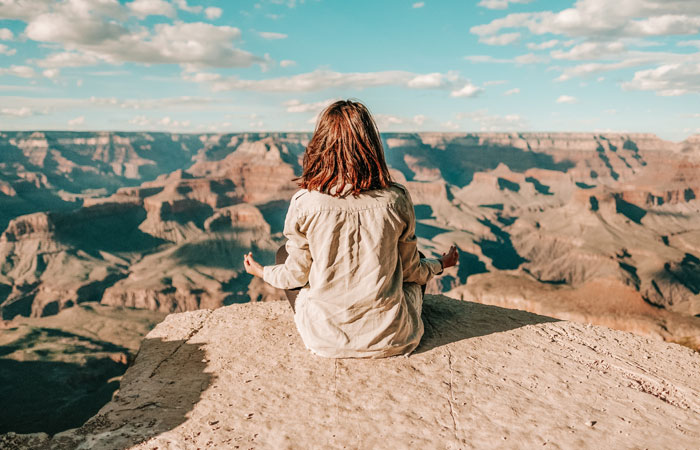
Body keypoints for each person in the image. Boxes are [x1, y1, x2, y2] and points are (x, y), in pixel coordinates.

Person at [243, 100, 459, 358]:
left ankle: (329, 326)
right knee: (419, 258)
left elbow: (295, 277)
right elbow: (412, 272)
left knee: (283, 256)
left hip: (324, 341)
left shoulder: (305, 201)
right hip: (393, 339)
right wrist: (440, 264)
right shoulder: (395, 198)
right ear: (371, 145)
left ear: (321, 145)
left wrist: (261, 272)